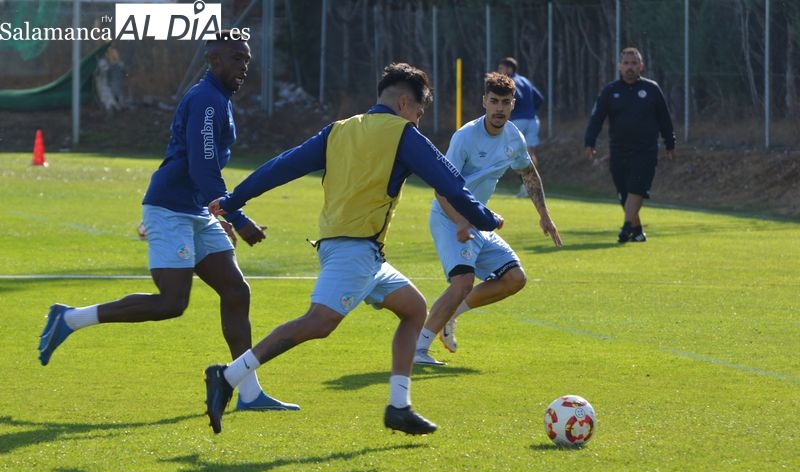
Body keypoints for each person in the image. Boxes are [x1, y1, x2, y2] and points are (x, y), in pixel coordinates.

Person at [203, 62, 505, 435]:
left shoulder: (339, 130)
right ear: (404, 103)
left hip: (355, 250)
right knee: (319, 322)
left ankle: (399, 406)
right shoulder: (404, 134)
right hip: (355, 251)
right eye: (419, 112)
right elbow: (451, 182)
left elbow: (282, 166)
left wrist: (236, 198)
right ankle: (229, 375)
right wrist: (486, 218)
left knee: (413, 310)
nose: (418, 120)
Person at [37, 30, 299, 412]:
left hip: (195, 209)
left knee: (236, 291)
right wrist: (236, 216)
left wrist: (216, 212)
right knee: (172, 303)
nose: (245, 66)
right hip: (171, 209)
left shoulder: (219, 98)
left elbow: (204, 173)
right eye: (237, 59)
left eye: (246, 58)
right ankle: (70, 319)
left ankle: (248, 392)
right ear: (214, 61)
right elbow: (203, 168)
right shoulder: (207, 101)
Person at [413, 72, 562, 366]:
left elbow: (528, 174)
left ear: (513, 105)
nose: (499, 108)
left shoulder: (513, 138)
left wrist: (544, 216)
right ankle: (418, 350)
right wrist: (460, 221)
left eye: (505, 103)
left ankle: (451, 315)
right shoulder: (465, 137)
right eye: (493, 101)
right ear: (484, 102)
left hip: (477, 219)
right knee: (462, 282)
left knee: (514, 278)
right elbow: (441, 187)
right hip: (448, 217)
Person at [584, 47, 676, 243]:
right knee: (624, 193)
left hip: (646, 150)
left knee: (637, 188)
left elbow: (664, 119)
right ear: (619, 66)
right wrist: (589, 141)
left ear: (641, 66)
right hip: (618, 150)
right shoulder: (610, 91)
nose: (630, 67)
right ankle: (637, 230)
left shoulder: (652, 89)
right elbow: (597, 118)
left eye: (634, 63)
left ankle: (626, 228)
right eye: (626, 63)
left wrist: (670, 142)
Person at [497, 56, 544, 197]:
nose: (499, 71)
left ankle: (525, 185)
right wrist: (530, 110)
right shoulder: (525, 80)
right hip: (533, 120)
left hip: (519, 121)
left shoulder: (511, 82)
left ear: (510, 69)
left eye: (501, 68)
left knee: (512, 153)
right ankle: (532, 186)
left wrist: (511, 109)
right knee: (530, 154)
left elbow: (519, 97)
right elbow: (539, 98)